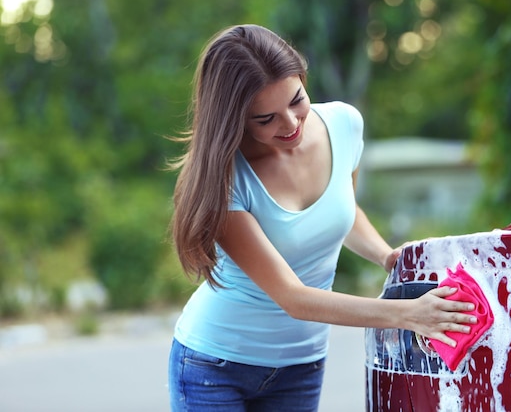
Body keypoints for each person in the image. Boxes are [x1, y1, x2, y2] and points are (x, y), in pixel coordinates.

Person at [167, 24, 477, 412]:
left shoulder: (344, 125)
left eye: (297, 99)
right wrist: (410, 315)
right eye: (266, 119)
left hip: (302, 365)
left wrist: (385, 256)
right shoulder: (224, 178)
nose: (292, 124)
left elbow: (342, 208)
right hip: (216, 367)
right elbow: (293, 298)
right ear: (235, 118)